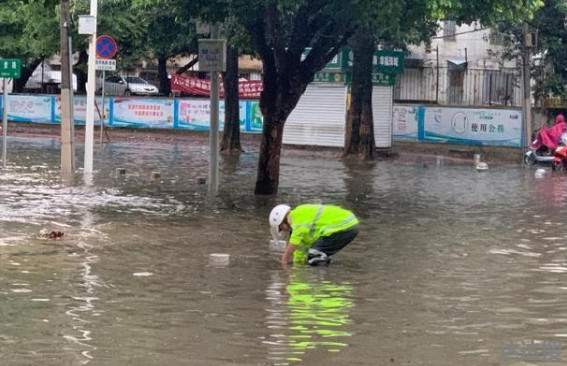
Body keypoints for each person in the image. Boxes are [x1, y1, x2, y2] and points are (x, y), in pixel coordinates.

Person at [269, 203, 359, 266]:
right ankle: (327, 272)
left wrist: (285, 259)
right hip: (347, 227)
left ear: (283, 220)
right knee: (314, 255)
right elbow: (300, 250)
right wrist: (296, 265)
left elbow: (295, 240)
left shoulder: (297, 215)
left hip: (344, 225)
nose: (283, 231)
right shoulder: (298, 229)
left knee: (314, 255)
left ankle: (321, 279)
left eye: (281, 228)